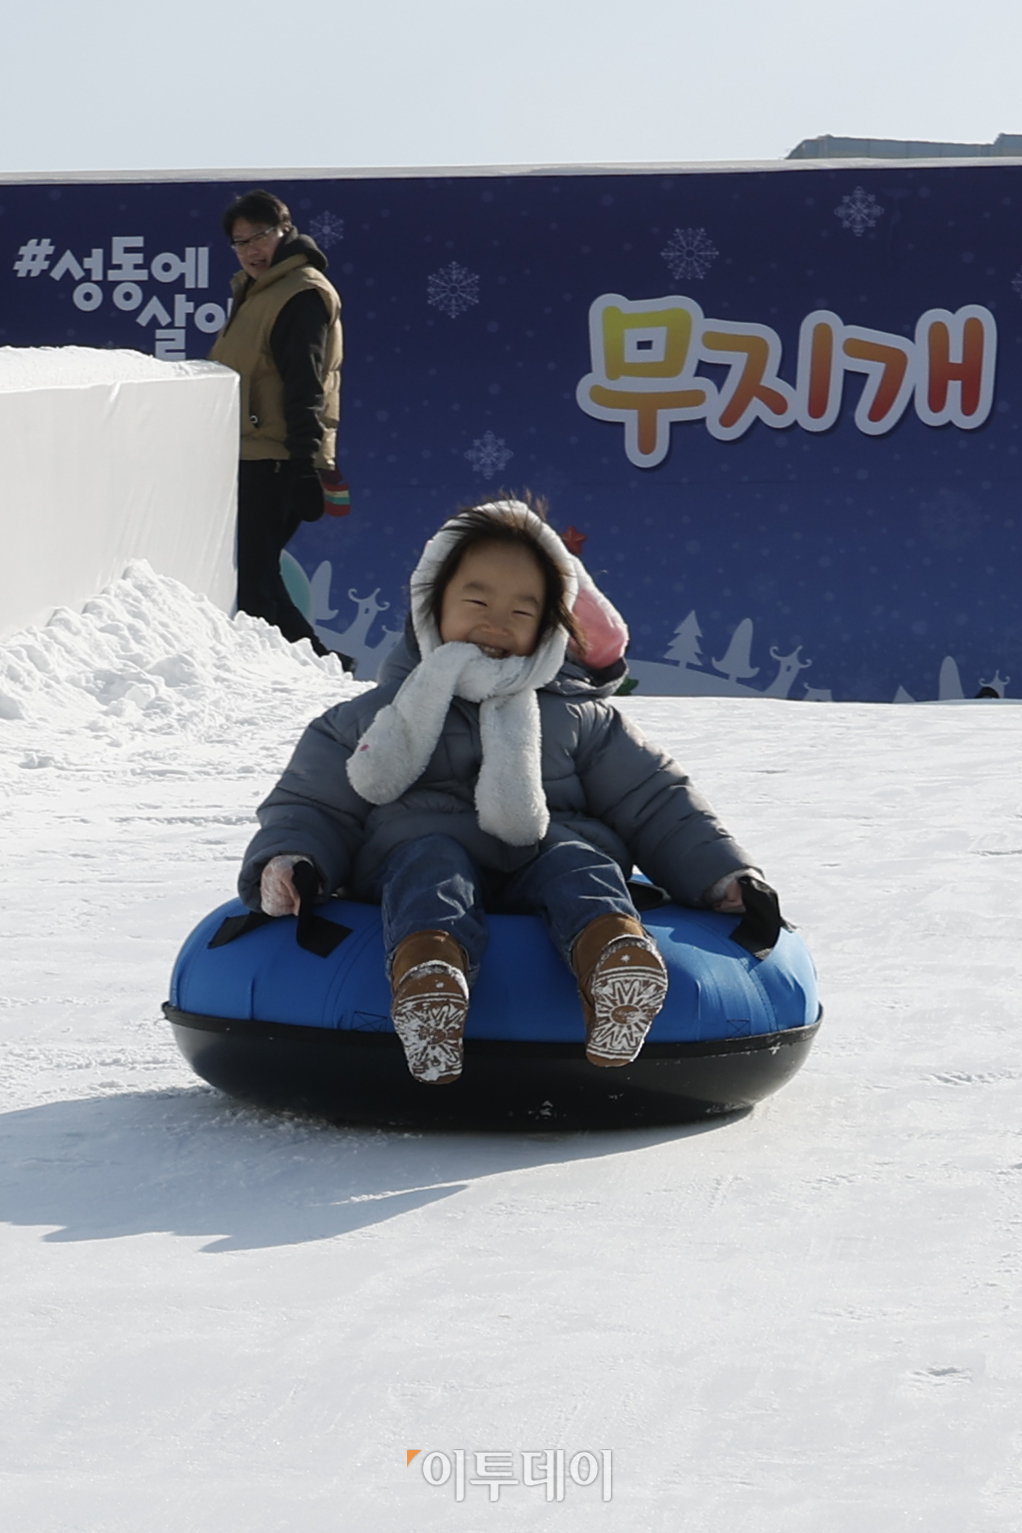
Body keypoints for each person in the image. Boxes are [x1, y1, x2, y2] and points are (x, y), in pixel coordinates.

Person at [237, 498, 767, 1086]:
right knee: (430, 862)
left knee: (582, 863)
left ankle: (616, 965)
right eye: (477, 600)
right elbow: (315, 804)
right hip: (418, 857)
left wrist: (724, 875)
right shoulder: (372, 718)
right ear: (430, 606)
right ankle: (430, 981)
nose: (497, 621)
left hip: (543, 855)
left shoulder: (578, 717)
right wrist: (291, 861)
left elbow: (657, 801)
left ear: (550, 628)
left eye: (523, 609)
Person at [209, 188, 352, 668]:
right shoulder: (258, 294)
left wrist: (304, 465)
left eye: (260, 236)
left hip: (275, 458)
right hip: (252, 454)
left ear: (285, 231)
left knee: (253, 581)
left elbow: (305, 384)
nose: (250, 250)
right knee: (258, 573)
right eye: (239, 242)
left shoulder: (300, 294)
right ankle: (321, 665)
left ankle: (275, 673)